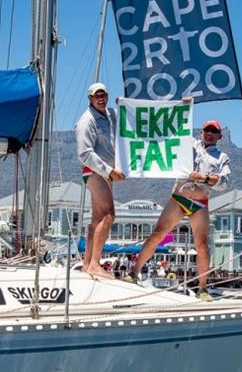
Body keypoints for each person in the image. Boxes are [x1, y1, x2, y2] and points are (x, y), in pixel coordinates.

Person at [126, 120, 230, 300]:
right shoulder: (188, 143)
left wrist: (204, 178)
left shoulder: (222, 158)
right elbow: (171, 131)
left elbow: (224, 183)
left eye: (214, 131)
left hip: (199, 202)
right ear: (201, 132)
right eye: (207, 130)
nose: (210, 133)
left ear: (219, 136)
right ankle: (134, 273)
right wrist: (182, 106)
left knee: (202, 245)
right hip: (179, 197)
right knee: (157, 235)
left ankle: (203, 289)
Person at [75, 82, 125, 278]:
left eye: (103, 94)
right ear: (90, 98)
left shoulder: (111, 115)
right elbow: (84, 154)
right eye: (97, 95)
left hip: (107, 174)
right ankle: (96, 263)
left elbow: (129, 117)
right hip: (95, 172)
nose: (101, 98)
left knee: (96, 220)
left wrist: (125, 104)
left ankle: (87, 263)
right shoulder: (86, 121)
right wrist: (109, 171)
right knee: (108, 216)